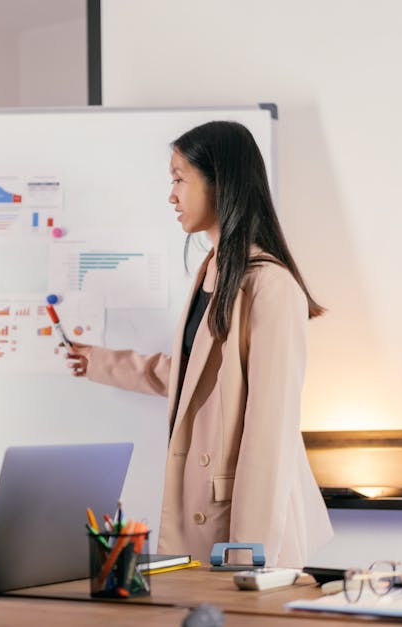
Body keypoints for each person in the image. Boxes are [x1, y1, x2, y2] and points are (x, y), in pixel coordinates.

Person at [66, 121, 333, 567]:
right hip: (203, 511)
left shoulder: (271, 286)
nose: (171, 195)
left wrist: (249, 553)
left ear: (220, 182)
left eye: (179, 178)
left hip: (240, 526)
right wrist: (101, 362)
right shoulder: (212, 271)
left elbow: (270, 429)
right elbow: (194, 378)